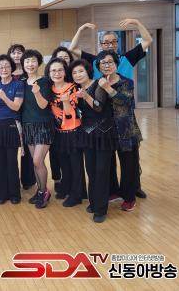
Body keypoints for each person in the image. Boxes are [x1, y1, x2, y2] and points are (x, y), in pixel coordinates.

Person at [69, 19, 152, 199]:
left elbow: (147, 40)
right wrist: (81, 28)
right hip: (103, 116)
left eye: (113, 42)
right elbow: (73, 48)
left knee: (129, 157)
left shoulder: (126, 59)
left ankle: (132, 189)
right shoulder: (95, 60)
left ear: (118, 44)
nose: (110, 45)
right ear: (100, 45)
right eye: (106, 42)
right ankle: (113, 191)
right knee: (108, 159)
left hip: (124, 116)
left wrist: (137, 23)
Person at [70, 59, 116, 223]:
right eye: (74, 73)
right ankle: (94, 202)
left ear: (88, 71)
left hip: (104, 133)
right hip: (88, 133)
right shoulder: (77, 89)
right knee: (91, 170)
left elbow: (98, 107)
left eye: (80, 71)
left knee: (102, 171)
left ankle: (101, 209)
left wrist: (85, 96)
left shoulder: (99, 84)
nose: (78, 75)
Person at [96, 50, 143, 212]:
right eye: (103, 63)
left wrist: (107, 88)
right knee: (108, 164)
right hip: (106, 130)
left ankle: (129, 197)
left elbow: (126, 102)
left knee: (129, 165)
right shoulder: (98, 82)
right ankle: (113, 191)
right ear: (99, 66)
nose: (106, 65)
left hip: (126, 130)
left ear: (116, 64)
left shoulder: (126, 82)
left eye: (110, 62)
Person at [46, 57, 85, 208]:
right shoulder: (50, 89)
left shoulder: (73, 87)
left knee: (76, 165)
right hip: (58, 132)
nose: (57, 73)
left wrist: (66, 101)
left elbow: (70, 114)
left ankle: (77, 195)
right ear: (49, 72)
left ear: (65, 71)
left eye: (60, 70)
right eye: (53, 70)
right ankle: (67, 188)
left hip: (73, 131)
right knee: (63, 163)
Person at [20, 50, 55, 209]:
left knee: (37, 161)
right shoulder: (22, 82)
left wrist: (37, 92)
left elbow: (43, 105)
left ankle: (44, 191)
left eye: (33, 61)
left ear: (39, 63)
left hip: (43, 125)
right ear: (23, 64)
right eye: (27, 61)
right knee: (35, 162)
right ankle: (40, 191)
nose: (30, 64)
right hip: (28, 125)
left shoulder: (45, 81)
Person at [0, 55, 24, 205]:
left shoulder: (18, 84)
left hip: (11, 126)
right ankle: (2, 193)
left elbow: (16, 107)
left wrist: (3, 97)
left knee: (11, 161)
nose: (4, 69)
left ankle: (14, 194)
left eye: (7, 66)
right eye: (0, 67)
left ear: (11, 68)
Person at [7, 44, 36, 191]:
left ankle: (28, 179)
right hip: (11, 116)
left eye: (19, 52)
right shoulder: (6, 72)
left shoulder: (29, 72)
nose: (16, 55)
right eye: (13, 53)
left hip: (27, 114)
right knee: (10, 152)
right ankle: (10, 181)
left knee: (27, 150)